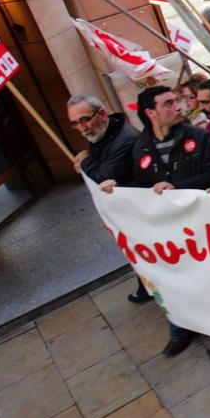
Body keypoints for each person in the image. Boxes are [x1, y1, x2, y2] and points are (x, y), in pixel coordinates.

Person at [99, 86, 210, 356]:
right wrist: (116, 189)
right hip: (166, 233)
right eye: (168, 103)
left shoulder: (200, 137)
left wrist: (176, 187)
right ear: (151, 112)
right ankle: (180, 327)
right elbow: (139, 189)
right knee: (170, 280)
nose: (177, 107)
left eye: (177, 101)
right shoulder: (140, 147)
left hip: (199, 228)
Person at [68, 94, 145, 301]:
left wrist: (85, 162)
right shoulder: (102, 134)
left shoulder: (124, 138)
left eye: (85, 120)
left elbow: (104, 175)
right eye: (75, 123)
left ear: (101, 114)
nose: (82, 128)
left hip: (138, 205)